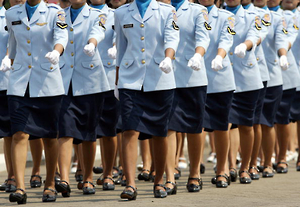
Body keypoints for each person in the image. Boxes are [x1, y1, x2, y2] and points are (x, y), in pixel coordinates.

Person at [114, 0, 179, 199]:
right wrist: (117, 81)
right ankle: (131, 184)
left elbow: (172, 37)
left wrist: (169, 57)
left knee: (159, 133)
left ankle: (159, 180)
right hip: (130, 79)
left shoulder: (167, 11)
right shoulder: (122, 12)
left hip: (159, 77)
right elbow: (121, 47)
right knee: (129, 130)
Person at [5, 0, 68, 203]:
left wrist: (57, 52)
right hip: (19, 83)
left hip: (47, 82)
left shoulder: (55, 12)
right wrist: (9, 60)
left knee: (50, 136)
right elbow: (13, 45)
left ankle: (50, 183)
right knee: (19, 133)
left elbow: (61, 36)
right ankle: (20, 187)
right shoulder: (12, 13)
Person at [56, 0, 109, 197]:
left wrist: (92, 43)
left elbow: (99, 30)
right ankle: (64, 179)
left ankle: (87, 178)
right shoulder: (59, 14)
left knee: (88, 132)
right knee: (65, 129)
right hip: (64, 80)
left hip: (90, 81)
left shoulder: (97, 14)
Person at [166, 0, 209, 194]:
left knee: (194, 127)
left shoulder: (197, 11)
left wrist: (198, 55)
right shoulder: (160, 9)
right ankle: (169, 176)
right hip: (164, 75)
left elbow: (203, 37)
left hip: (192, 75)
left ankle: (194, 173)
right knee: (168, 127)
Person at [225, 0, 263, 184]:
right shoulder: (217, 14)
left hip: (247, 77)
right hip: (222, 77)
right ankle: (228, 166)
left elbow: (255, 35)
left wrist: (245, 45)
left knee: (247, 125)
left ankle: (245, 167)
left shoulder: (252, 15)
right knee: (225, 124)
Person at [198, 0, 235, 187]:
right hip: (193, 76)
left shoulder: (226, 16)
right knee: (196, 126)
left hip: (219, 75)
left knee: (221, 125)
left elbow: (226, 39)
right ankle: (195, 171)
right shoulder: (187, 12)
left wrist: (220, 56)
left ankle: (223, 169)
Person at [89, 0, 119, 191]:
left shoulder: (116, 13)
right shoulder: (82, 12)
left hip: (108, 77)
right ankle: (87, 175)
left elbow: (119, 35)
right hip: (87, 77)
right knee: (88, 130)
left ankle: (108, 173)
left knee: (109, 129)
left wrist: (116, 46)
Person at [242, 0, 271, 181]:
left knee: (254, 121)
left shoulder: (260, 14)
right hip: (230, 72)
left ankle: (253, 164)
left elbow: (260, 35)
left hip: (255, 72)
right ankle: (230, 165)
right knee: (231, 123)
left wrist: (247, 44)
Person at [273, 0, 300, 174]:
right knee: (279, 117)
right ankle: (280, 156)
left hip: (295, 71)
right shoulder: (276, 15)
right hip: (280, 73)